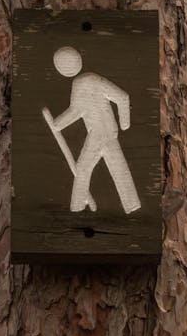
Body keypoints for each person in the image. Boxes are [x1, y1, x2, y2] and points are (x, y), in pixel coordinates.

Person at [42, 46, 141, 214]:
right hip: (109, 132)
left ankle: (78, 205)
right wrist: (124, 124)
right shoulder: (93, 80)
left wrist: (58, 124)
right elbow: (122, 98)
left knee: (83, 168)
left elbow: (76, 111)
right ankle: (131, 204)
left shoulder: (81, 83)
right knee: (118, 167)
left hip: (98, 134)